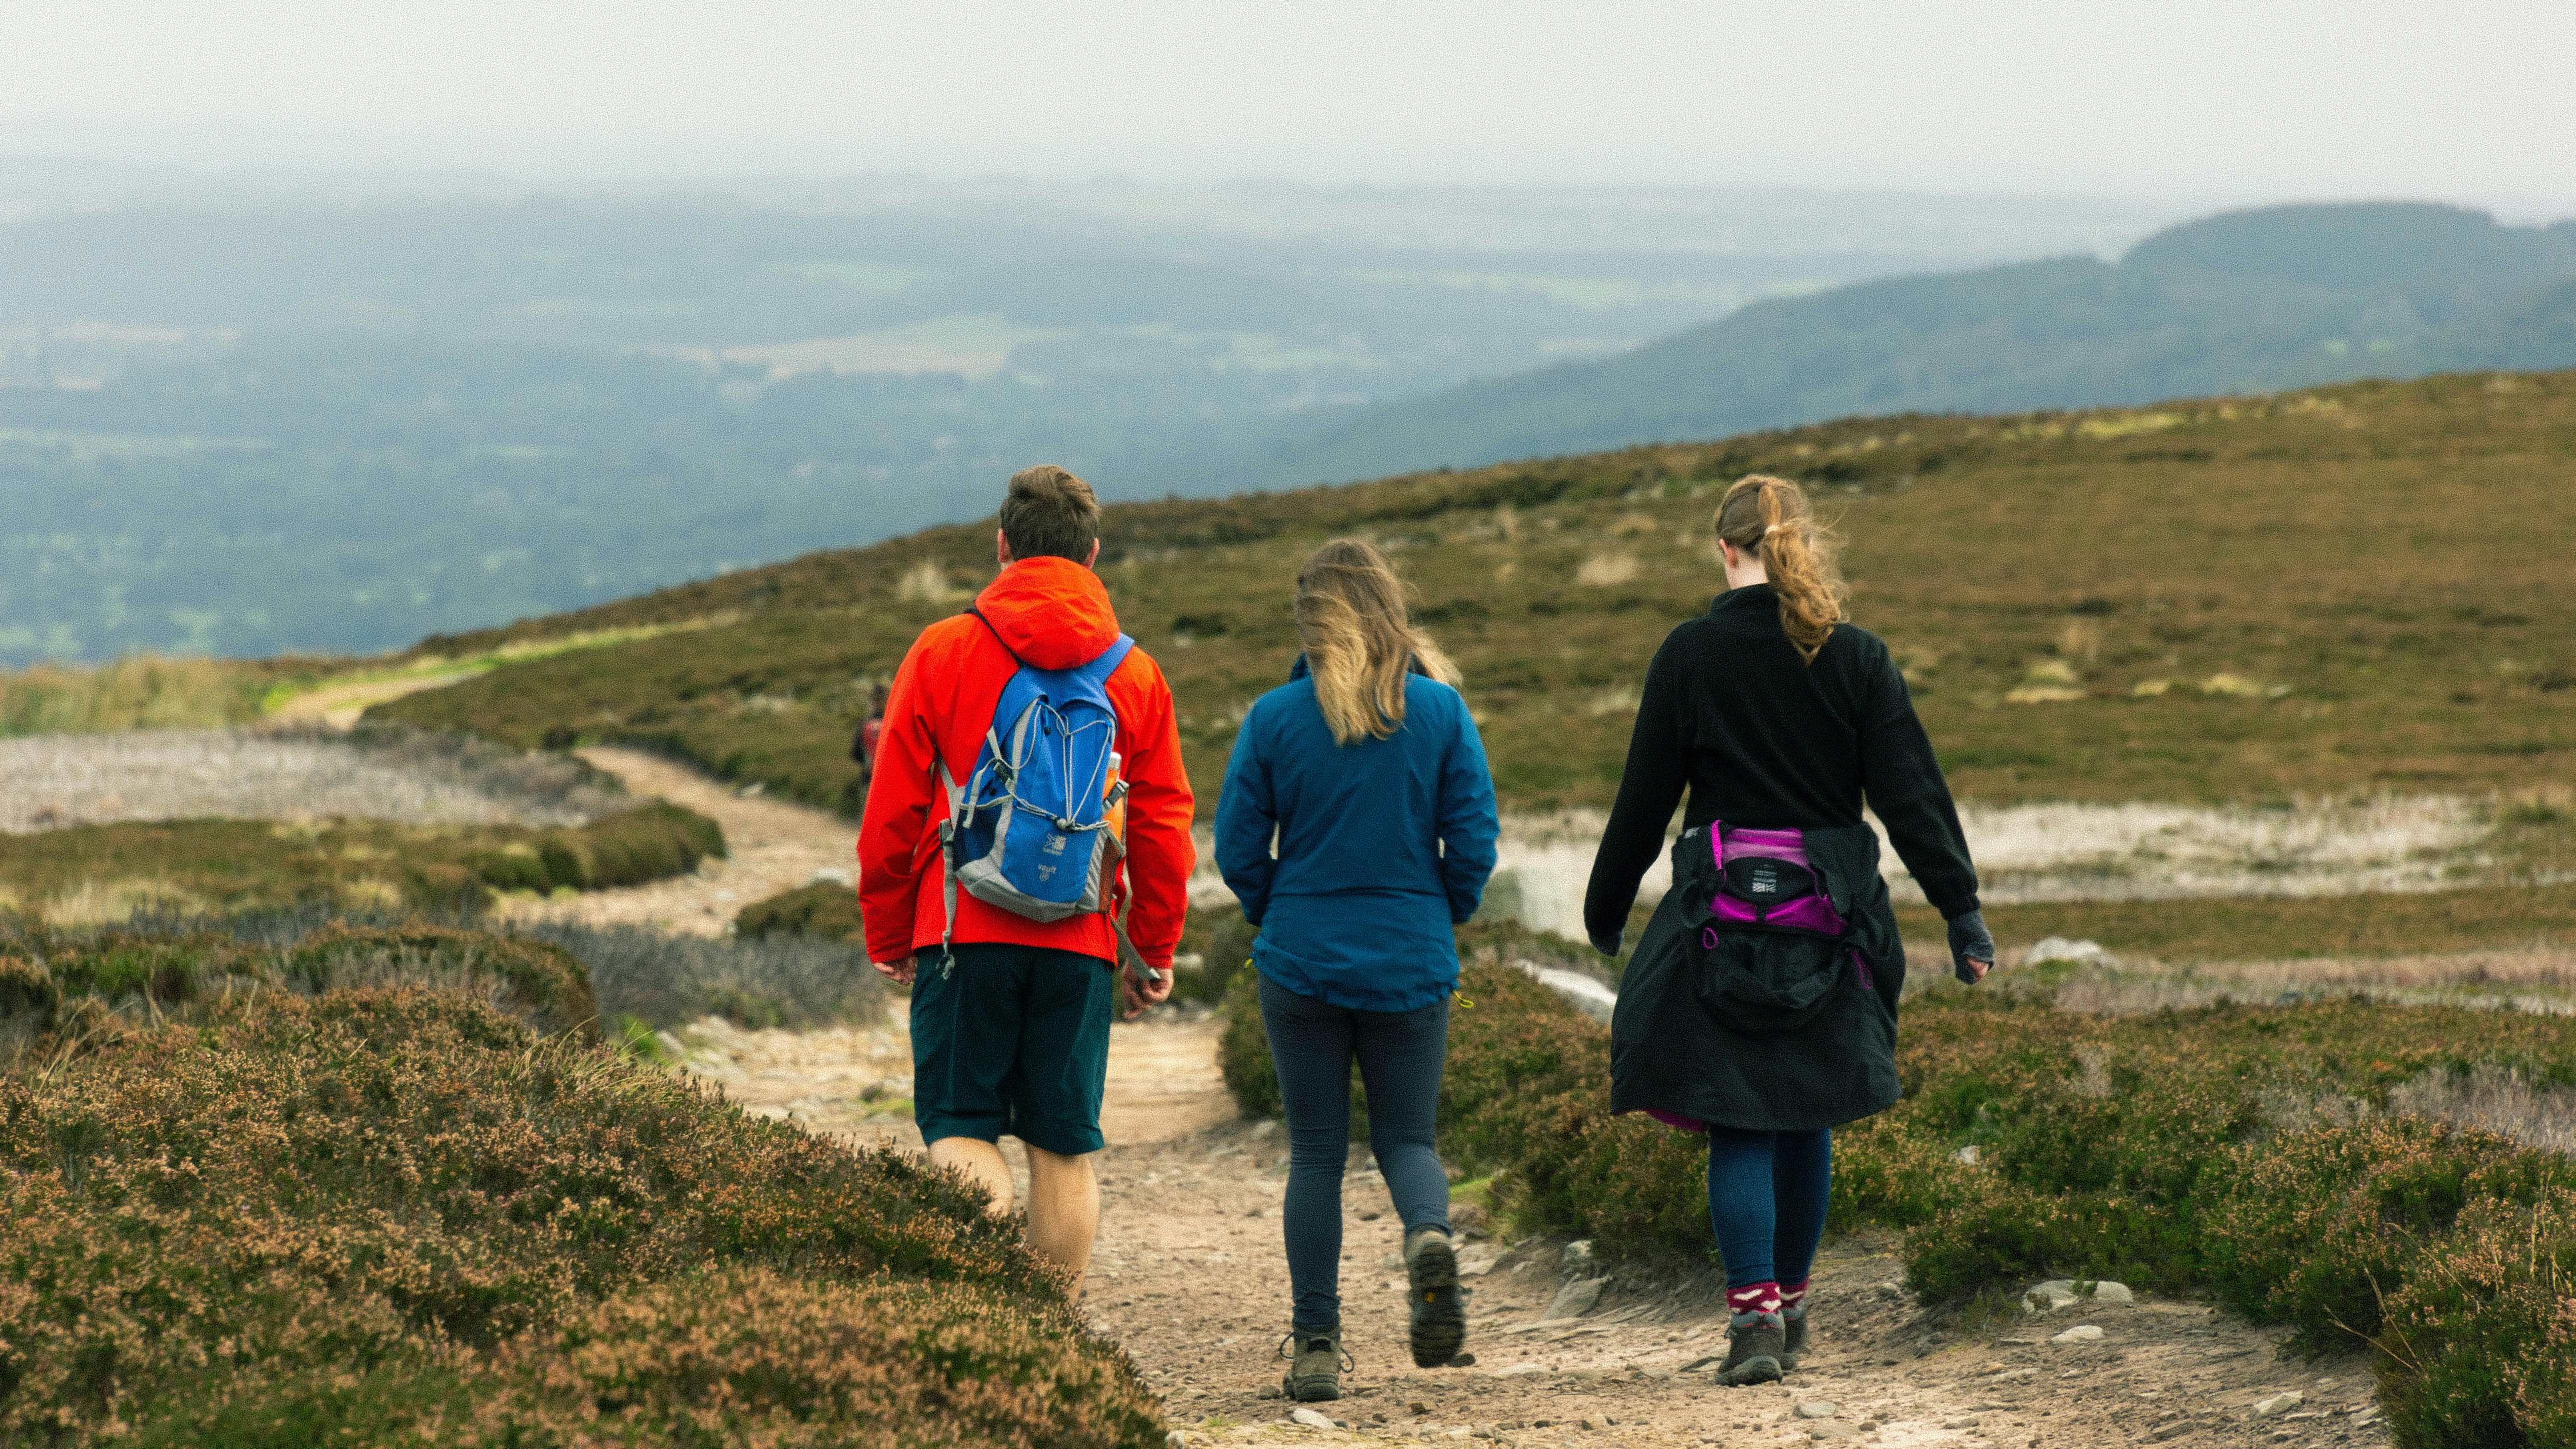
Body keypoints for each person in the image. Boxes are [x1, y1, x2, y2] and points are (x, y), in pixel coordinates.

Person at [1583, 475, 1993, 1388]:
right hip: (1834, 926)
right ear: (1799, 544)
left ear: (1724, 549)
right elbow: (1912, 795)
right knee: (1807, 1115)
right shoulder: (1855, 657)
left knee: (1738, 1122)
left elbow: (1643, 801)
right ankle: (1795, 1305)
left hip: (1719, 929)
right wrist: (1959, 910)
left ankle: (1754, 1320)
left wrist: (1605, 912)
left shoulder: (1689, 654)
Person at [857, 465, 1195, 1291]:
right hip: (1078, 940)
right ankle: (1050, 1335)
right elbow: (1163, 827)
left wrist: (888, 934)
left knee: (961, 1130)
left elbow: (893, 813)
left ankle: (987, 1306)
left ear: (1003, 546)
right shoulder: (1138, 674)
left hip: (959, 933)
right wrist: (1151, 948)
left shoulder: (942, 650)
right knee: (1065, 1150)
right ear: (1093, 554)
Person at [1216, 538, 1500, 1402]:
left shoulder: (1272, 719)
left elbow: (1235, 850)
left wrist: (1278, 908)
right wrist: (1439, 910)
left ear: (1308, 625)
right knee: (1407, 1141)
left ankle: (1315, 1345)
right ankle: (1425, 1237)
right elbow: (1476, 842)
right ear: (1390, 612)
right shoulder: (1442, 713)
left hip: (1300, 959)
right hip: (1411, 955)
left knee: (1314, 1153)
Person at [851, 685, 885, 794]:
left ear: (873, 701)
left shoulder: (865, 724)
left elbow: (855, 753)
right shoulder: (892, 724)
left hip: (868, 780)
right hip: (889, 782)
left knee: (868, 811)